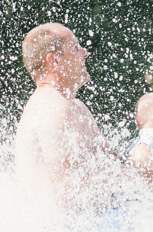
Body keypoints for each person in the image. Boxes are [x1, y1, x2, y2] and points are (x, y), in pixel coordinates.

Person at [13, 23, 124, 215]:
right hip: (62, 225)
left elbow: (116, 164)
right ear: (54, 61)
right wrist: (126, 179)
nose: (85, 53)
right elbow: (66, 194)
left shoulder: (76, 107)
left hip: (88, 217)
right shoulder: (52, 109)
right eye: (75, 48)